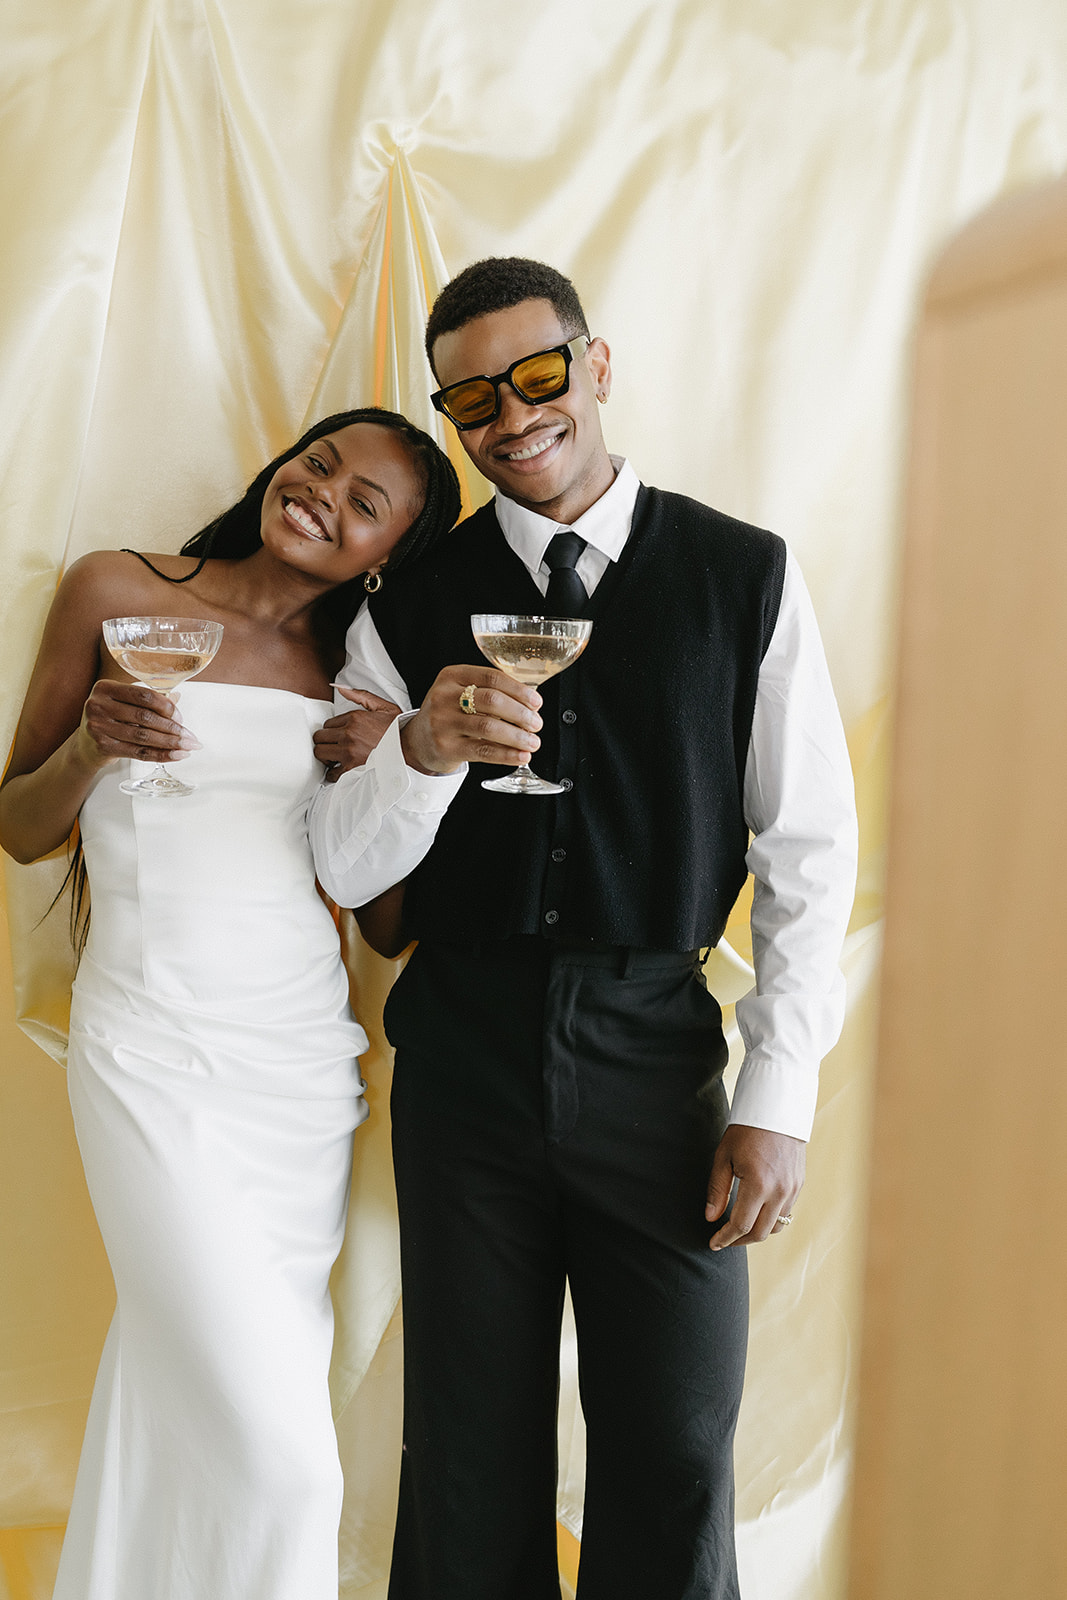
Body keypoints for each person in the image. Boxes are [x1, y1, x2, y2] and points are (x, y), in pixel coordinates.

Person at [310, 260, 858, 1600]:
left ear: (593, 367)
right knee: (465, 1450)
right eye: (473, 399)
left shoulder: (742, 575)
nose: (511, 415)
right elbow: (340, 863)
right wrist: (424, 755)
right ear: (455, 420)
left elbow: (808, 852)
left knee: (672, 1445)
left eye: (537, 375)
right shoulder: (403, 604)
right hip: (462, 1054)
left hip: (652, 1048)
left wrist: (776, 1096)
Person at [0, 407, 462, 1600]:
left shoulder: (358, 673)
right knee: (283, 1461)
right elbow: (18, 824)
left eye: (365, 503)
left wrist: (390, 770)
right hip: (148, 1047)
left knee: (174, 1391)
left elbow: (384, 923)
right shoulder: (113, 587)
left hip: (299, 1070)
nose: (322, 495)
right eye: (320, 464)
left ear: (386, 560)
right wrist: (95, 746)